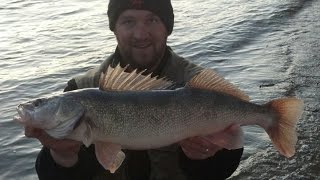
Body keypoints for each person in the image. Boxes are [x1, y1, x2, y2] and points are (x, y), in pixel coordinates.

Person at [25, 0, 243, 179]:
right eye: (128, 21)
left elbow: (224, 167)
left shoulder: (197, 85)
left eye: (152, 20)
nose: (140, 34)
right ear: (114, 28)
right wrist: (62, 156)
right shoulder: (80, 89)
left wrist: (203, 157)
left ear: (167, 26)